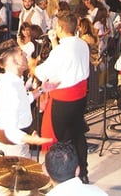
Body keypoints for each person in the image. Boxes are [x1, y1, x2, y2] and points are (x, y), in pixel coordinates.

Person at [34, 12, 90, 183]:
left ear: (59, 28)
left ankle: (61, 175)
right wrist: (53, 42)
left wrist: (33, 66)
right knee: (78, 134)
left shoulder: (61, 51)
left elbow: (43, 72)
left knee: (60, 139)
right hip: (80, 96)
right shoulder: (82, 44)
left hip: (63, 100)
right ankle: (83, 172)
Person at [0, 40, 52, 195]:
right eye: (21, 53)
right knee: (25, 189)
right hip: (14, 145)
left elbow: (23, 100)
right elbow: (11, 130)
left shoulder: (5, 79)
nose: (25, 55)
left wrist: (40, 90)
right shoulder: (11, 87)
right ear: (14, 61)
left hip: (3, 142)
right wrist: (32, 140)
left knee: (5, 185)